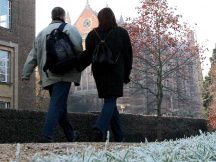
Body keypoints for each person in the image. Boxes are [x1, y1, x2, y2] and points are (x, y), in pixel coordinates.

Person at [22, 7, 82, 143]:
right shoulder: (69, 29)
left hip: (48, 75)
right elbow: (79, 47)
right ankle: (46, 134)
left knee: (60, 107)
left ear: (52, 16)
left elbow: (33, 56)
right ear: (62, 16)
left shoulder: (41, 33)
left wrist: (26, 73)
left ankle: (71, 135)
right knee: (56, 104)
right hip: (64, 74)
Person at [78, 7, 133, 142]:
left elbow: (87, 56)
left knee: (110, 101)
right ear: (113, 18)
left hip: (99, 73)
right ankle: (99, 127)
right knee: (110, 100)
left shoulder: (92, 35)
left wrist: (75, 67)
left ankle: (119, 137)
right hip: (115, 72)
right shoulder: (121, 33)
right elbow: (128, 56)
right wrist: (126, 74)